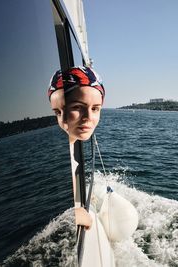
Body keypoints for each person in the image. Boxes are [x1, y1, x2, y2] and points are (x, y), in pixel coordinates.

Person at [47, 66, 105, 230]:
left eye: (95, 109)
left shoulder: (68, 148)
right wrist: (76, 214)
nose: (88, 118)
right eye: (77, 107)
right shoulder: (56, 157)